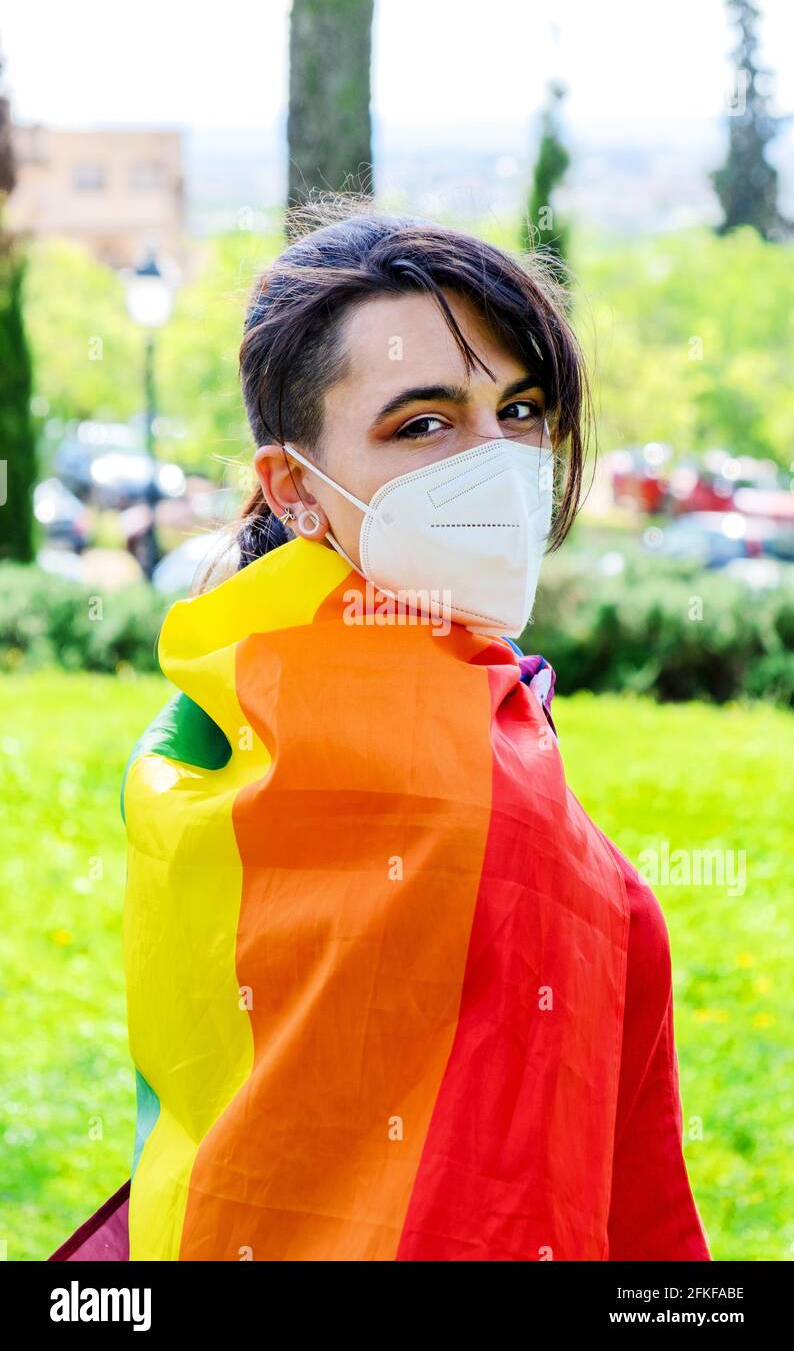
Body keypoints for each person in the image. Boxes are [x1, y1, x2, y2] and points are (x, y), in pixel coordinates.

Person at [50, 195, 711, 1263]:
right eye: (423, 423)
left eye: (522, 409)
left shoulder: (232, 691)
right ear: (292, 489)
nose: (496, 462)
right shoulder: (391, 738)